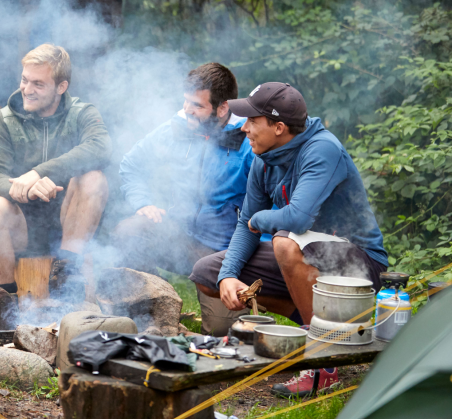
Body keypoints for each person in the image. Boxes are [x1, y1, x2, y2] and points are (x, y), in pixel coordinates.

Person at [190, 82, 388, 398]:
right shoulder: (263, 157)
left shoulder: (322, 149)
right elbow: (246, 226)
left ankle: (323, 362)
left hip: (360, 268)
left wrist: (258, 220)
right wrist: (228, 275)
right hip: (307, 258)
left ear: (279, 127)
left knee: (285, 240)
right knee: (207, 273)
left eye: (253, 121)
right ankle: (313, 327)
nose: (244, 128)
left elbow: (296, 219)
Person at [115, 63, 256, 331]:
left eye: (197, 105)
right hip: (178, 236)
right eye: (185, 101)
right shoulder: (176, 127)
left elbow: (266, 207)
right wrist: (143, 203)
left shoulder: (248, 139)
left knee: (219, 330)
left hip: (221, 251)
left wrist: (240, 260)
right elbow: (131, 165)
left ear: (223, 108)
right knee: (129, 231)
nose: (187, 110)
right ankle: (154, 312)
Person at [0, 44, 111, 299]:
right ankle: (1, 301)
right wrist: (26, 187)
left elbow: (100, 148)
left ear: (61, 87)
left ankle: (67, 276)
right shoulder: (4, 119)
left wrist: (39, 173)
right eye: (24, 80)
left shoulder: (82, 114)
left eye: (38, 84)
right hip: (22, 226)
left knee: (94, 178)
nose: (27, 90)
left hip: (70, 222)